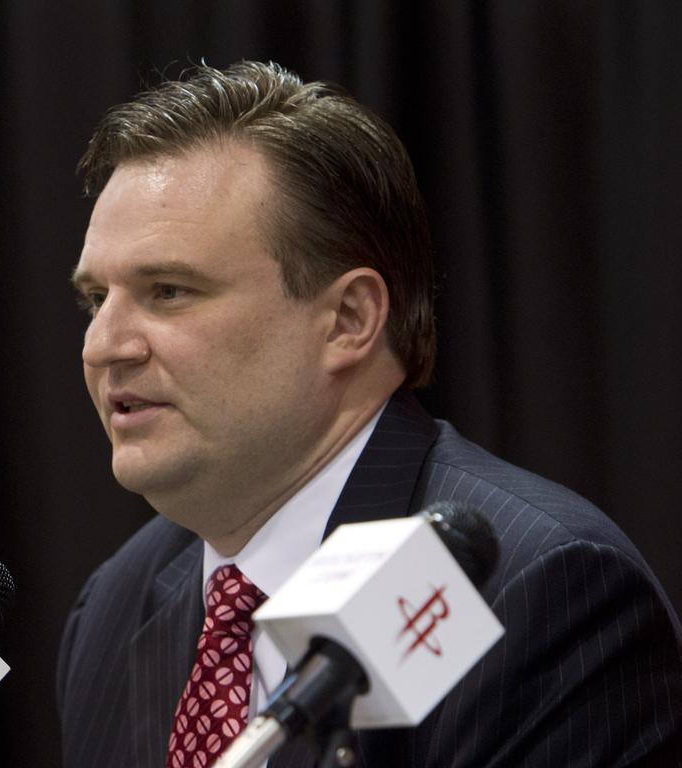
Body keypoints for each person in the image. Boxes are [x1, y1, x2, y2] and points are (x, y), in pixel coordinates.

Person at [56, 61, 682, 768]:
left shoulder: (535, 589)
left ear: (348, 319)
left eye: (168, 290)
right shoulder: (114, 606)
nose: (104, 345)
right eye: (93, 301)